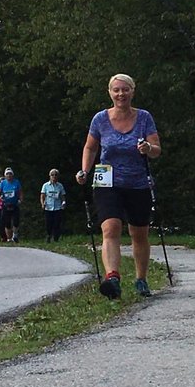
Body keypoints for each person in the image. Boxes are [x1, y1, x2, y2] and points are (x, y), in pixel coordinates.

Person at [76, 74, 161, 299]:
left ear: (132, 91)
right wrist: (84, 170)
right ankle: (112, 278)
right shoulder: (100, 119)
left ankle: (141, 279)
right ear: (110, 93)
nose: (121, 94)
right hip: (106, 180)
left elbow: (157, 149)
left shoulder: (144, 117)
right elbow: (90, 147)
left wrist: (148, 148)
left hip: (137, 181)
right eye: (116, 90)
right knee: (110, 227)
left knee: (139, 233)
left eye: (125, 89)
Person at [0, 167, 23, 243]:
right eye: (7, 174)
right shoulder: (3, 183)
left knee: (16, 221)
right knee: (7, 222)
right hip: (6, 204)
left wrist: (20, 199)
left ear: (12, 175)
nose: (9, 175)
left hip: (15, 204)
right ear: (5, 175)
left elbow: (20, 192)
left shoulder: (16, 182)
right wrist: (1, 198)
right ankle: (9, 238)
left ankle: (15, 236)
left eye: (10, 174)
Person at [40, 168, 66, 242]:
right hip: (48, 207)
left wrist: (64, 202)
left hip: (57, 207)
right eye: (52, 175)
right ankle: (48, 235)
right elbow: (42, 196)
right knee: (48, 223)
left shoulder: (60, 186)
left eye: (55, 175)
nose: (54, 176)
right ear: (50, 176)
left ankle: (56, 238)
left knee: (57, 223)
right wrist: (42, 204)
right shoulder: (45, 185)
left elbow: (62, 196)